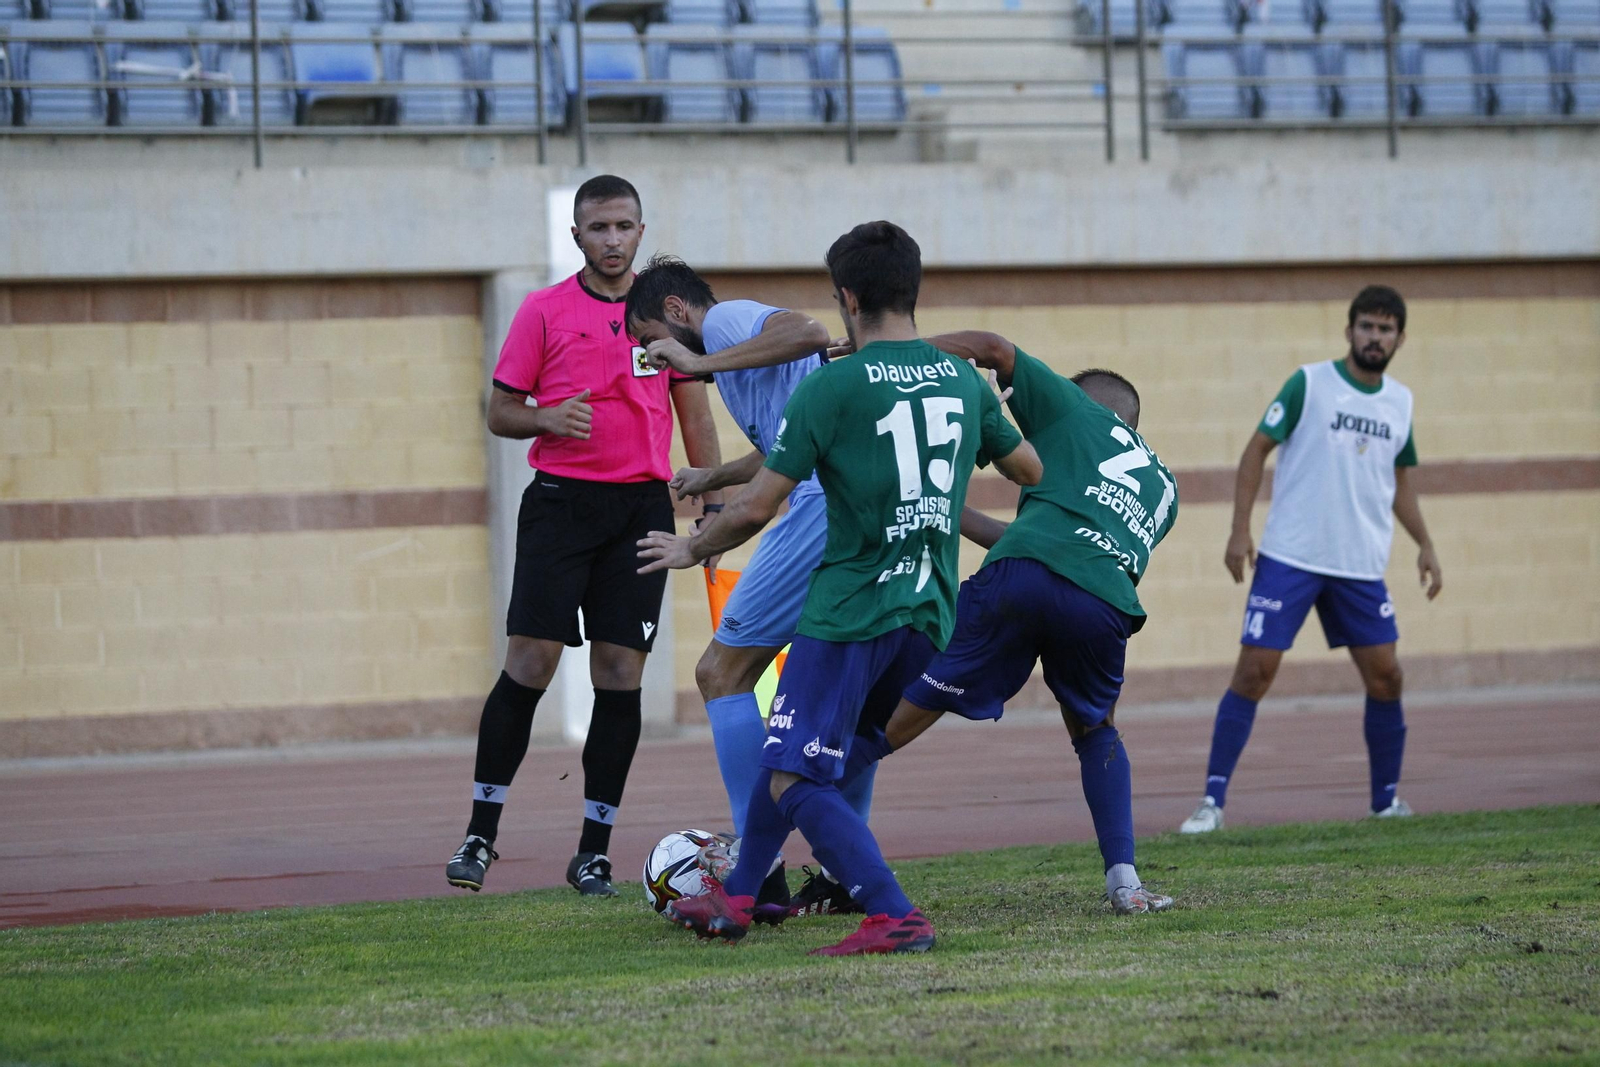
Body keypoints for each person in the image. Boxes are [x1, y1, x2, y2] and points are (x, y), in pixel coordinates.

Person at [638, 221, 1042, 956]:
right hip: (926, 609)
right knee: (818, 758)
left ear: (848, 298)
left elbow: (760, 506)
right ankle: (739, 898)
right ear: (912, 290)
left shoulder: (832, 384)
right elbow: (1028, 471)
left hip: (849, 608)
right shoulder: (959, 381)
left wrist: (692, 545)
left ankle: (891, 909)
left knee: (793, 777)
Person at [445, 176, 724, 896]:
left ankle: (593, 850)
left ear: (639, 231)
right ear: (577, 236)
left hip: (639, 512)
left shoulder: (664, 318)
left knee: (620, 674)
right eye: (597, 227)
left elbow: (696, 418)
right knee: (531, 661)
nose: (611, 239)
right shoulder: (544, 312)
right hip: (560, 507)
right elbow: (501, 410)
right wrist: (546, 417)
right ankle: (480, 834)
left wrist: (714, 505)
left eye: (624, 226)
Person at [836, 332, 1179, 914]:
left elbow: (995, 347)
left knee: (893, 717)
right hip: (1101, 602)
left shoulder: (1075, 412)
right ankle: (1125, 883)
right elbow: (1058, 544)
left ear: (1086, 404)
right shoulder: (1165, 488)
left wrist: (893, 352)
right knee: (1097, 732)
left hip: (1020, 580)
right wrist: (946, 509)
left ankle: (765, 834)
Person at [623, 254, 877, 917]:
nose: (658, 359)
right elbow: (784, 444)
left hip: (819, 513)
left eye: (652, 341)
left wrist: (697, 364)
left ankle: (756, 869)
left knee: (721, 673)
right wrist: (711, 478)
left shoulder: (729, 323)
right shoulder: (739, 360)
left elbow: (810, 332)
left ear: (676, 313)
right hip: (850, 514)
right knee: (835, 700)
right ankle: (845, 874)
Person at [1180, 285, 1443, 834]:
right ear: (1349, 331)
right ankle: (1211, 804)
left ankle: (1386, 803)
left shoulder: (1400, 402)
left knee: (1387, 677)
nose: (1376, 336)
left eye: (1386, 328)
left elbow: (1398, 479)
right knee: (1255, 672)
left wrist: (1425, 542)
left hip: (1359, 566)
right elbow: (1256, 449)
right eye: (1366, 326)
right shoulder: (1309, 383)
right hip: (1291, 557)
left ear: (1400, 338)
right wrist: (1238, 530)